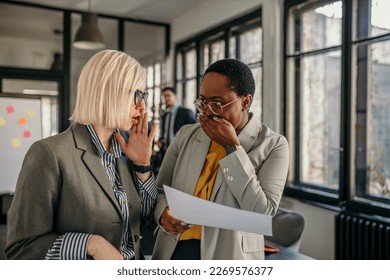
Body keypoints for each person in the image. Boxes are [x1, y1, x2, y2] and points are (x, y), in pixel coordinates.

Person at [5, 50, 157, 260]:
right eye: (137, 95)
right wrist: (90, 244)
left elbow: (144, 218)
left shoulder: (126, 151)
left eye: (144, 96)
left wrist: (142, 165)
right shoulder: (49, 153)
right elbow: (21, 248)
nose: (142, 106)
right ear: (108, 91)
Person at [152, 58, 289, 260]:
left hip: (230, 256)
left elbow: (263, 213)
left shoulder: (273, 145)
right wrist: (162, 213)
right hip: (174, 249)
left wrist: (232, 148)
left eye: (217, 103)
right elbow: (160, 189)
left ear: (245, 101)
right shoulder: (186, 135)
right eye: (203, 101)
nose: (207, 110)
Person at [155, 87, 197, 170]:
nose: (166, 98)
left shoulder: (185, 113)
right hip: (166, 153)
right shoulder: (165, 116)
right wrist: (160, 141)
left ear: (175, 96)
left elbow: (196, 131)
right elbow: (164, 134)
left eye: (168, 95)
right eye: (164, 96)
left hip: (181, 153)